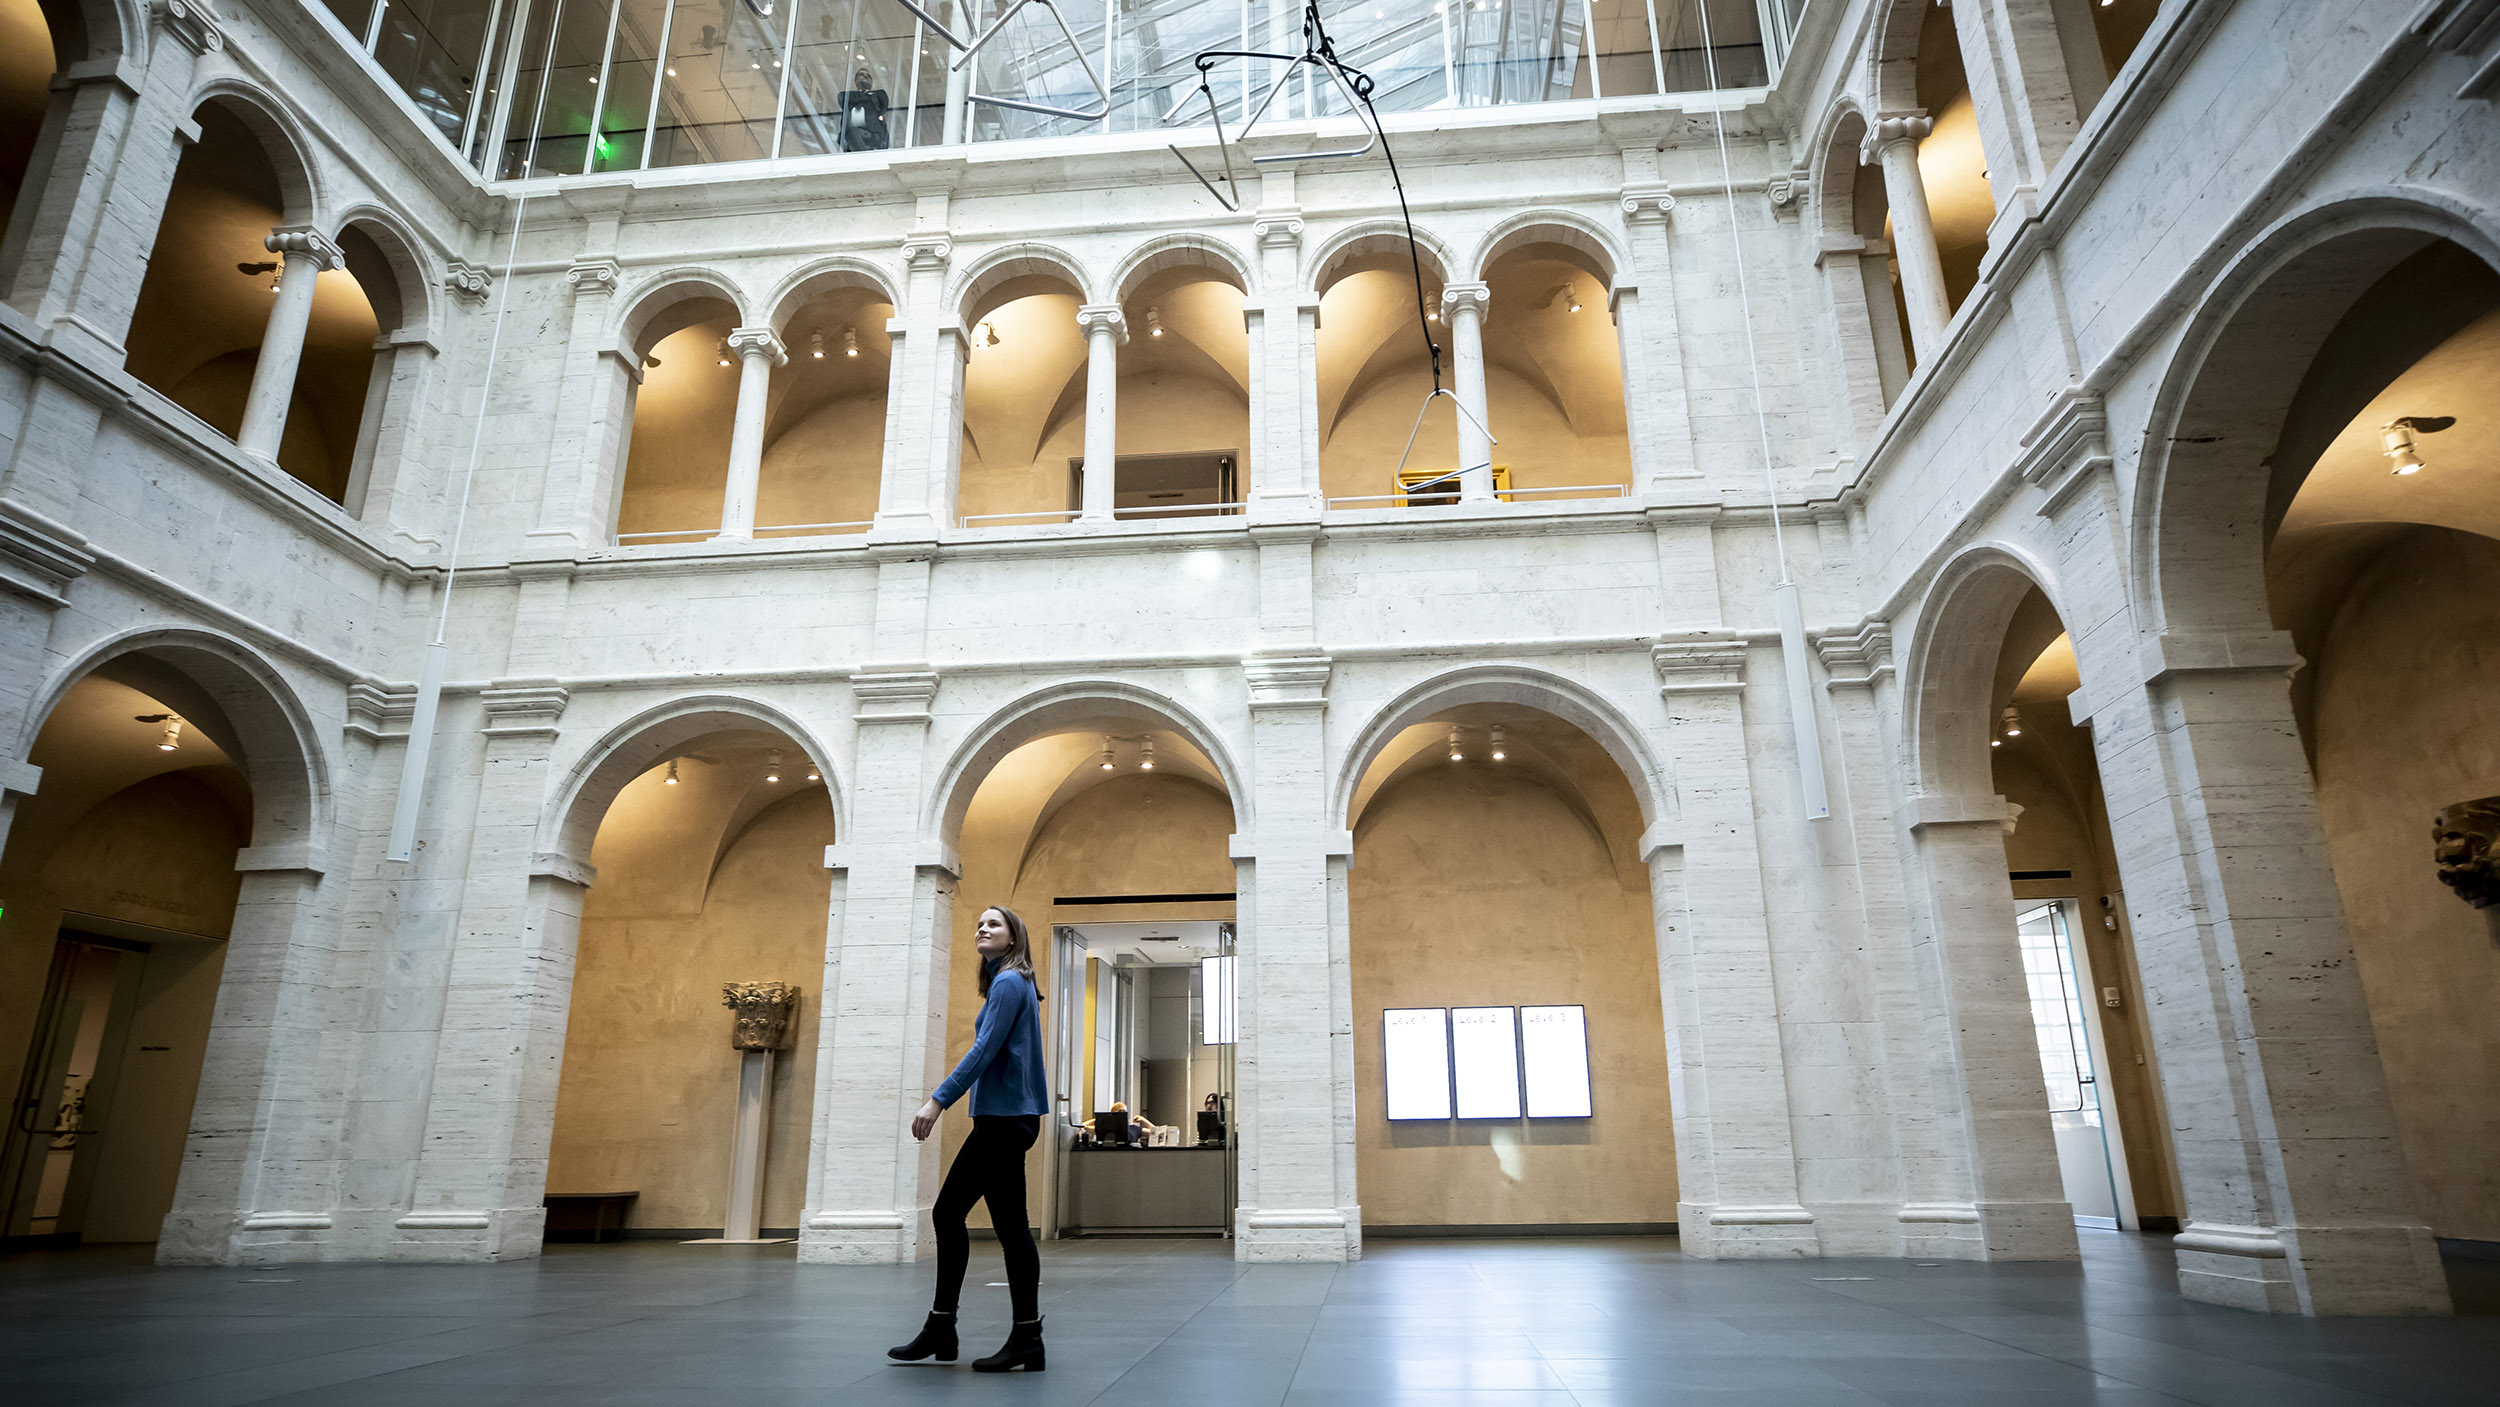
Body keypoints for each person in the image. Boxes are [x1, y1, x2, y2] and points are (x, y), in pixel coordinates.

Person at [887, 906, 1048, 1372]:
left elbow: (983, 1049)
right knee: (973, 1219)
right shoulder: (1011, 983)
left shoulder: (1009, 983)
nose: (983, 928)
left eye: (994, 924)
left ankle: (1008, 1335)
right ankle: (961, 1330)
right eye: (980, 924)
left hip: (1003, 1120)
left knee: (986, 1223)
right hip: (1004, 1119)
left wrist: (937, 1101)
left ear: (1014, 938)